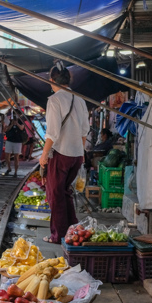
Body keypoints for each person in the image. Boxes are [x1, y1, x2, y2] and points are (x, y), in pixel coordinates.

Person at [39, 61, 89, 243]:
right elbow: (85, 130)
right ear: (69, 79)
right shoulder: (80, 100)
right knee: (65, 193)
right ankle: (72, 232)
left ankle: (58, 235)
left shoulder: (54, 100)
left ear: (52, 80)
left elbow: (52, 133)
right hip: (76, 155)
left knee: (55, 195)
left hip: (61, 154)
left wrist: (44, 155)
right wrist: (81, 153)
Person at [4, 110, 26, 176]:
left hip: (18, 141)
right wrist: (11, 124)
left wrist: (17, 123)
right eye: (14, 114)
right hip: (9, 140)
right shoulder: (9, 121)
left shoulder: (21, 120)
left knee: (16, 157)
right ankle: (9, 168)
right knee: (7, 155)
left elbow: (22, 128)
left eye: (16, 114)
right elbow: (6, 129)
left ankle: (15, 172)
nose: (15, 115)